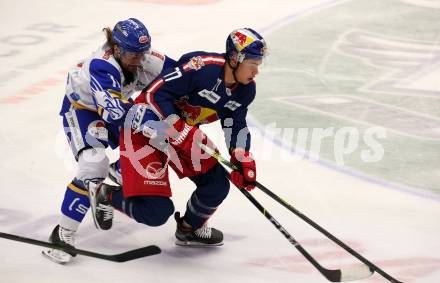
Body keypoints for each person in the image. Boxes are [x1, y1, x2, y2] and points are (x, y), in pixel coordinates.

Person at [94, 28, 267, 247]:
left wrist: (241, 154)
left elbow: (236, 123)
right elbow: (153, 94)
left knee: (217, 186)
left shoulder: (246, 90)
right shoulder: (201, 67)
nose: (256, 71)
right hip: (147, 129)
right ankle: (106, 194)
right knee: (156, 212)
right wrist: (177, 126)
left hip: (182, 135)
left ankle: (188, 229)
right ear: (234, 58)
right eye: (252, 63)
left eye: (258, 64)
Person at [43, 18, 176, 264]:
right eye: (133, 54)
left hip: (121, 107)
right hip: (84, 109)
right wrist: (149, 120)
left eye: (142, 53)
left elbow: (182, 78)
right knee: (93, 164)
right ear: (117, 49)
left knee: (161, 144)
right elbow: (112, 111)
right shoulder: (101, 66)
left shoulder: (147, 58)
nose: (139, 60)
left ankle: (119, 171)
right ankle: (63, 233)